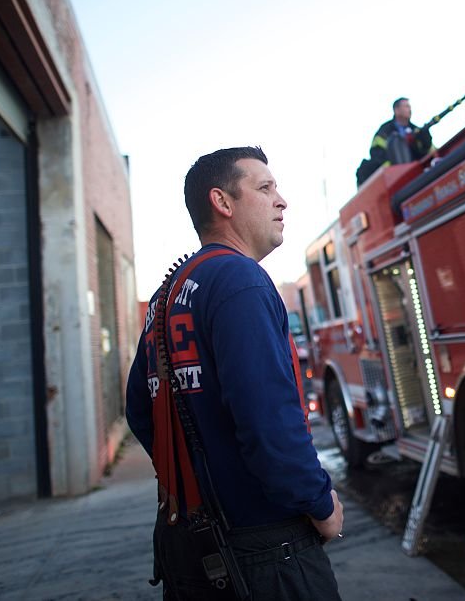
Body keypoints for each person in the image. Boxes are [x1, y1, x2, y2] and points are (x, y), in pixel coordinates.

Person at [126, 146, 343, 600]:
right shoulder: (240, 281)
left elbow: (139, 412)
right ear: (222, 203)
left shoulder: (168, 295)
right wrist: (319, 502)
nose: (281, 200)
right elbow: (269, 418)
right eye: (265, 188)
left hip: (185, 543)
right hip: (264, 550)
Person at [355, 97, 434, 186]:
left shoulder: (417, 130)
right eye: (406, 107)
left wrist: (426, 140)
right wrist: (393, 167)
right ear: (396, 110)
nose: (410, 110)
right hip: (394, 178)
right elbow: (376, 152)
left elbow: (430, 152)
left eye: (410, 107)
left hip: (417, 174)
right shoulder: (385, 131)